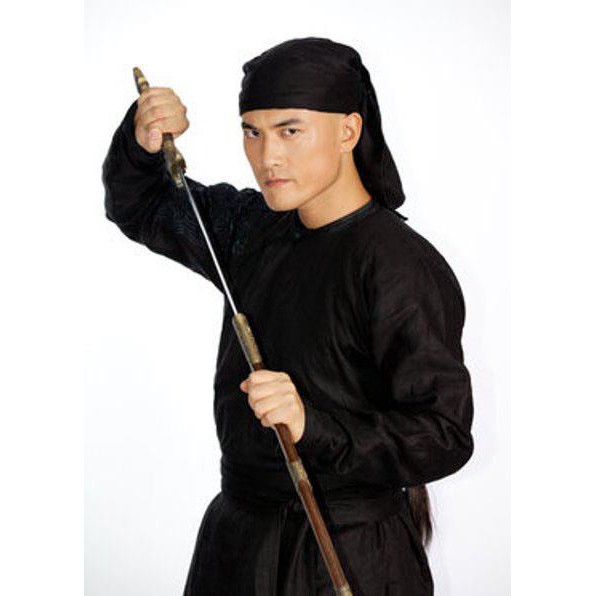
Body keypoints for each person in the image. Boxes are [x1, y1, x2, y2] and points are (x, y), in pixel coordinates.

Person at [102, 37, 474, 596]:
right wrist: (142, 143)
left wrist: (310, 426)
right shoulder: (250, 228)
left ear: (348, 131)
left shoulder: (399, 266)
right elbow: (142, 204)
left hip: (349, 554)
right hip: (236, 545)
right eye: (252, 132)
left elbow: (443, 435)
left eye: (290, 131)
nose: (267, 156)